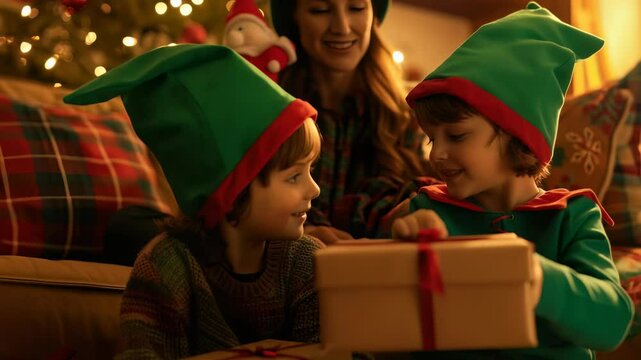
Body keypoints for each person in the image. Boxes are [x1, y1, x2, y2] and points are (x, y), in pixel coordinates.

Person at [391, 3, 634, 359]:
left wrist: (533, 274)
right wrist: (400, 252)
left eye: (455, 136)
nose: (435, 154)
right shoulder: (425, 210)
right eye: (431, 138)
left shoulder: (572, 215)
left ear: (517, 134)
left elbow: (612, 322)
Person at [63, 45, 324, 358]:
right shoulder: (165, 266)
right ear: (233, 190)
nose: (314, 189)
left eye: (309, 171)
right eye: (294, 177)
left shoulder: (307, 263)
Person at [270, 0, 436, 241]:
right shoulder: (272, 106)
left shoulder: (403, 114)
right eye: (321, 10)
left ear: (373, 15)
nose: (342, 28)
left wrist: (404, 216)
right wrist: (301, 233)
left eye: (356, 7)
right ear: (294, 18)